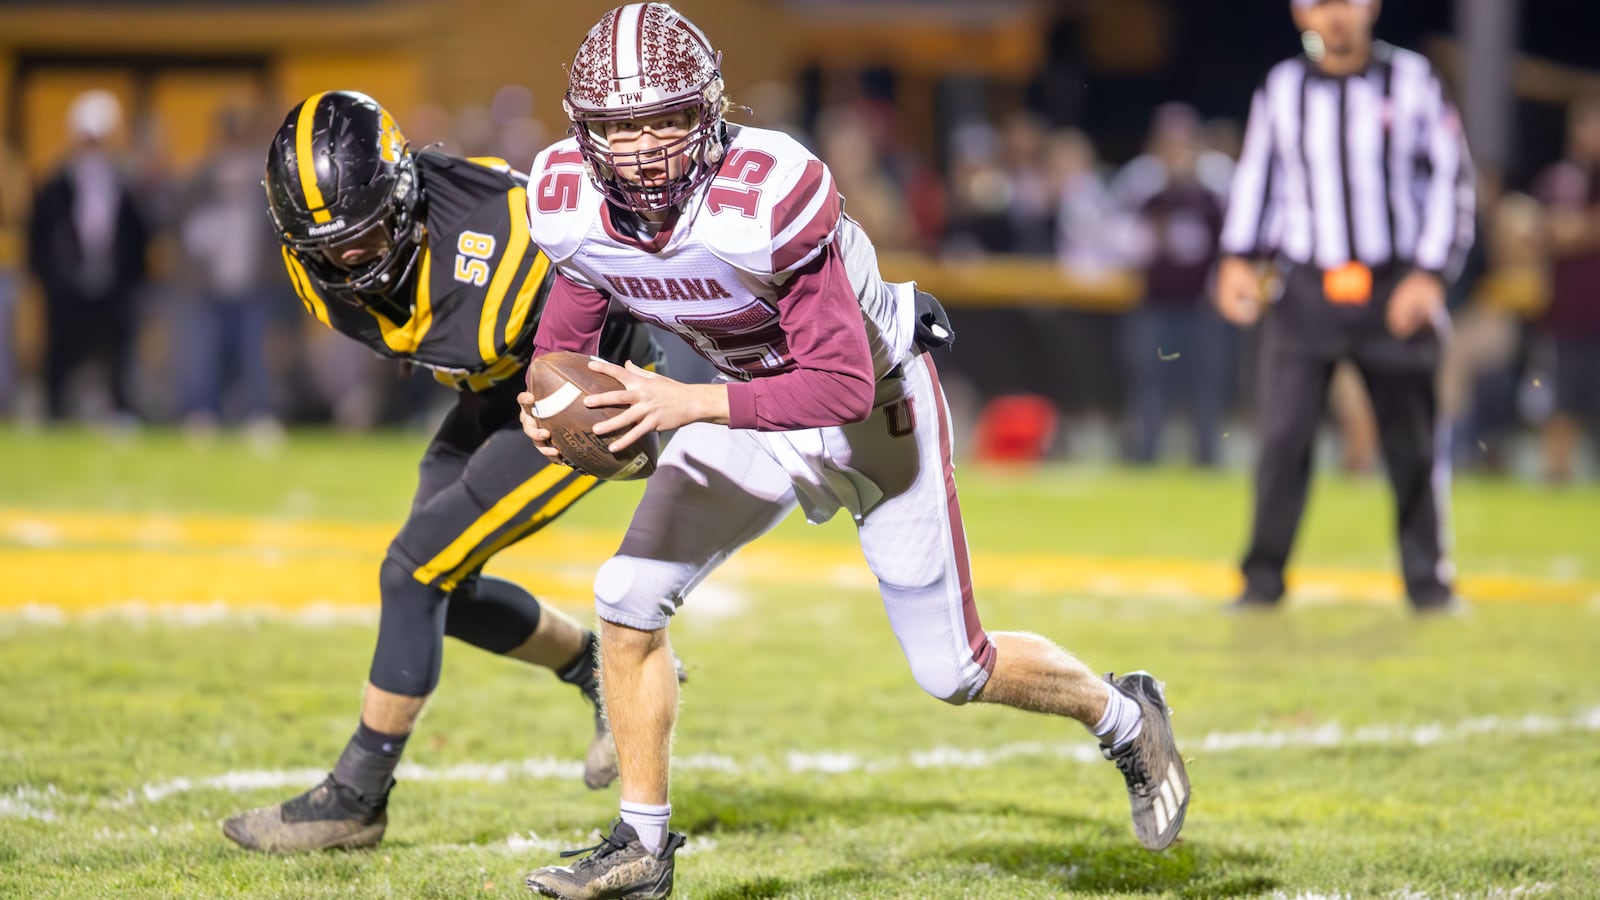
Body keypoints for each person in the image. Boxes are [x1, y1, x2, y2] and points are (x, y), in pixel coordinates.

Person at [516, 6, 1190, 897]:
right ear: (582, 131)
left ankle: (1124, 717)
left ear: (708, 113)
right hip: (736, 409)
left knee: (953, 669)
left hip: (870, 411)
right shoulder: (567, 201)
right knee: (624, 597)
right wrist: (551, 407)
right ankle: (641, 849)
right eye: (616, 126)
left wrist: (685, 402)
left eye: (663, 119)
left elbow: (836, 385)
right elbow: (563, 356)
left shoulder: (763, 194)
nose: (639, 148)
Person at [222, 91, 675, 853]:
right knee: (442, 591)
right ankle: (595, 670)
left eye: (364, 239)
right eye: (330, 247)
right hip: (496, 390)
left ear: (401, 201)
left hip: (584, 387)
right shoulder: (318, 255)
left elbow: (616, 270)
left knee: (412, 571)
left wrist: (635, 408)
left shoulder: (507, 230)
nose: (347, 260)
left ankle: (357, 797)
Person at [1215, 0, 1475, 614]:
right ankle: (1261, 579)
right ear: (1300, 12)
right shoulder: (1283, 87)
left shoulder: (1412, 79)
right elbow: (1259, 177)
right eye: (1321, 3)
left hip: (1393, 289)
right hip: (1306, 289)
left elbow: (1451, 180)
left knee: (1410, 441)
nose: (1336, 16)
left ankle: (1428, 582)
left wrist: (1431, 275)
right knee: (1282, 436)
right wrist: (1237, 259)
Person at [1109, 102, 1234, 466]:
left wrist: (1220, 278)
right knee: (1149, 385)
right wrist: (1143, 246)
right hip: (1155, 303)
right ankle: (1144, 457)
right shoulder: (1141, 182)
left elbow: (1237, 234)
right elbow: (1107, 229)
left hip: (1202, 306)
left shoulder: (1216, 183)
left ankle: (1208, 458)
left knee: (1207, 386)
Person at [27, 89, 149, 423]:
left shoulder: (124, 181)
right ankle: (54, 412)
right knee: (60, 350)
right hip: (67, 283)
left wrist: (131, 276)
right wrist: (50, 276)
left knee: (117, 351)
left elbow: (137, 233)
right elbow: (39, 234)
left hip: (113, 281)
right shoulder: (56, 184)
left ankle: (119, 410)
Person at [1533, 94, 1600, 482]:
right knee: (1560, 406)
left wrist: (1574, 230)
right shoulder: (1558, 180)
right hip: (1565, 318)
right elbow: (1542, 233)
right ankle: (1556, 477)